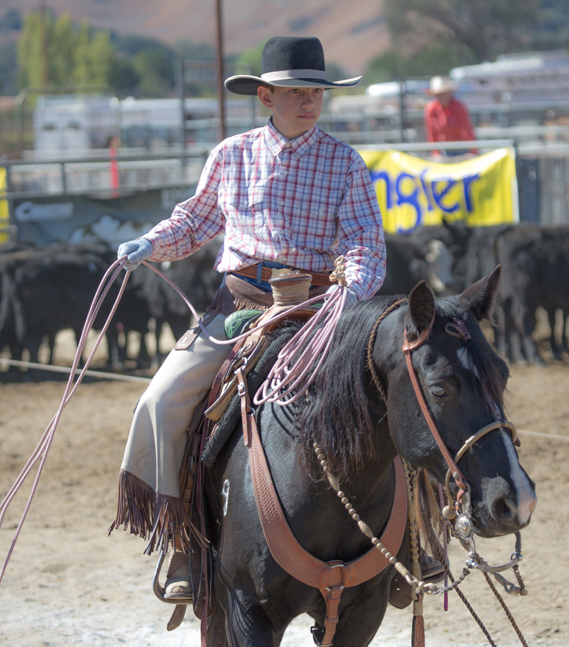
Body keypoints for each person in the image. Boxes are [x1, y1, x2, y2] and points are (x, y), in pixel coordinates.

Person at [109, 36, 387, 601]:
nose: (309, 101)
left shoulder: (345, 163)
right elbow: (194, 221)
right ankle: (183, 541)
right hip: (235, 307)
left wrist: (346, 295)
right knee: (159, 403)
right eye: (295, 91)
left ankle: (411, 543)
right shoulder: (230, 154)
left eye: (315, 91)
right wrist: (151, 242)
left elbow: (365, 243)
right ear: (266, 95)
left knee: (389, 395)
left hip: (315, 307)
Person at [423, 76, 478, 157]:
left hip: (461, 147)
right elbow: (432, 133)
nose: (441, 96)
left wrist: (472, 150)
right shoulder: (431, 109)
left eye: (444, 93)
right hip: (444, 148)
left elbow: (466, 129)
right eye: (438, 94)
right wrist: (435, 152)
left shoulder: (458, 106)